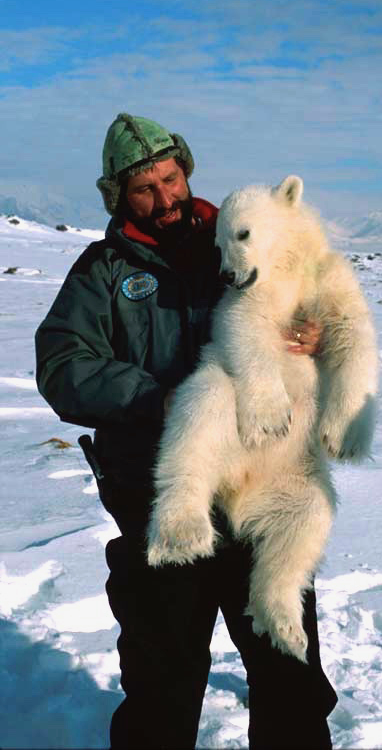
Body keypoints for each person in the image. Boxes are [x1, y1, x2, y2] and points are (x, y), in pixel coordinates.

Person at [35, 113, 337, 749]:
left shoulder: (235, 238)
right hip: (159, 487)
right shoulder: (104, 272)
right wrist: (155, 400)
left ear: (185, 171)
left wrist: (317, 334)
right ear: (119, 195)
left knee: (288, 667)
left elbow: (316, 294)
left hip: (263, 479)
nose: (164, 198)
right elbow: (62, 365)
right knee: (163, 671)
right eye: (144, 189)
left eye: (170, 179)